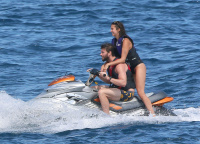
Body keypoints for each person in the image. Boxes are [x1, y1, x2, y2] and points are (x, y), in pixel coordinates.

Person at [103, 21, 155, 115]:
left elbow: (122, 59)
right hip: (128, 68)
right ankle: (134, 110)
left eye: (112, 29)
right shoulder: (114, 41)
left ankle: (153, 114)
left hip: (137, 66)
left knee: (140, 92)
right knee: (128, 89)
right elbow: (114, 58)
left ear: (118, 29)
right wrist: (104, 65)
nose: (110, 31)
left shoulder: (125, 40)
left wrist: (108, 65)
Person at [92, 43, 135, 114]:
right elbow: (109, 81)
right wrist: (98, 73)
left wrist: (108, 77)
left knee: (102, 92)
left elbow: (123, 83)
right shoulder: (106, 65)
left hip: (127, 93)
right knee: (93, 88)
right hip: (117, 89)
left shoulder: (119, 65)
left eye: (103, 52)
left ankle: (106, 115)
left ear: (109, 53)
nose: (100, 54)